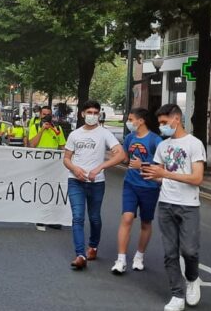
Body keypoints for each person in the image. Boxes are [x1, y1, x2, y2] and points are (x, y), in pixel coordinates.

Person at [141, 104, 206, 311]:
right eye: (160, 123)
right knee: (170, 253)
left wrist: (165, 174)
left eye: (164, 122)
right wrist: (151, 175)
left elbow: (197, 178)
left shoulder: (194, 144)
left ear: (177, 119)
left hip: (189, 205)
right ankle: (177, 295)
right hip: (166, 204)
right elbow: (159, 175)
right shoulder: (162, 146)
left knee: (189, 251)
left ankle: (192, 279)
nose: (162, 126)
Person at [63, 100, 125, 270]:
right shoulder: (75, 134)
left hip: (96, 183)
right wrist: (75, 169)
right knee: (78, 217)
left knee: (94, 217)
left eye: (95, 113)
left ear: (99, 115)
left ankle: (93, 246)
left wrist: (100, 167)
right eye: (89, 112)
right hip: (75, 181)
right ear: (82, 114)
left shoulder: (104, 134)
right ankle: (80, 255)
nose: (92, 115)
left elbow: (121, 155)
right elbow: (66, 158)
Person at [112, 108, 163, 275]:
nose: (128, 122)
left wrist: (142, 165)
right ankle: (121, 260)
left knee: (145, 223)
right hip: (130, 184)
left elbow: (162, 167)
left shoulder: (155, 140)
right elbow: (126, 159)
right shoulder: (129, 138)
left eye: (131, 119)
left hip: (150, 187)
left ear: (141, 121)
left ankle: (139, 256)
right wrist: (116, 154)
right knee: (127, 218)